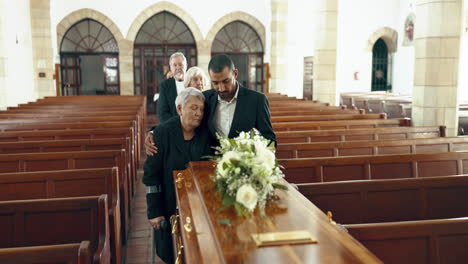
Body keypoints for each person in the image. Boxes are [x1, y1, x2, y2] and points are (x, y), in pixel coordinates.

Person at [146, 54, 276, 156]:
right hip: (210, 164)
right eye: (215, 83)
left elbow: (270, 140)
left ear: (235, 74)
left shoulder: (257, 100)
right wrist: (154, 132)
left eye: (226, 81)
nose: (221, 88)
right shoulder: (206, 97)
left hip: (244, 168)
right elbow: (183, 119)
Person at [143, 87, 212, 263]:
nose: (199, 113)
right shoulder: (162, 133)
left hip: (199, 206)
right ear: (180, 108)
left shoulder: (206, 135)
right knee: (172, 253)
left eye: (202, 109)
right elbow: (151, 176)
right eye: (194, 108)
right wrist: (154, 211)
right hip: (169, 204)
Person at [157, 52, 187, 123]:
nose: (178, 67)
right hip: (173, 126)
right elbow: (162, 112)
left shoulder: (192, 81)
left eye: (180, 64)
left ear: (186, 65)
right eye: (175, 65)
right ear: (171, 67)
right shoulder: (165, 85)